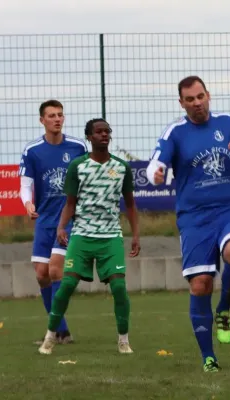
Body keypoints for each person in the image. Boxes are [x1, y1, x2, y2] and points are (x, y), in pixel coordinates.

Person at [146, 75, 230, 372]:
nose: (197, 103)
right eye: (190, 99)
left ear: (208, 95)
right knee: (200, 284)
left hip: (229, 209)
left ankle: (223, 309)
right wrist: (155, 174)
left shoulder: (227, 123)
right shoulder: (176, 132)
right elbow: (155, 164)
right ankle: (209, 358)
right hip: (194, 218)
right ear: (181, 103)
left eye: (200, 97)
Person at [38, 118, 140, 355]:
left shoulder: (122, 167)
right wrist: (61, 227)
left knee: (119, 289)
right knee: (66, 286)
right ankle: (51, 335)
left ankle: (123, 340)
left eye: (107, 131)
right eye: (99, 132)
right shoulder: (78, 166)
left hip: (110, 237)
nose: (104, 135)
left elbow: (131, 205)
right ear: (89, 137)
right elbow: (70, 203)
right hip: (82, 236)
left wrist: (135, 235)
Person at [19, 99, 87, 345]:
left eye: (60, 114)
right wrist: (28, 204)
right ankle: (62, 331)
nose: (57, 119)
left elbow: (87, 178)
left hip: (68, 220)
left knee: (55, 270)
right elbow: (25, 186)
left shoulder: (78, 147)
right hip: (44, 221)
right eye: (51, 115)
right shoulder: (33, 151)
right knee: (41, 275)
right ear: (42, 120)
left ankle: (53, 332)